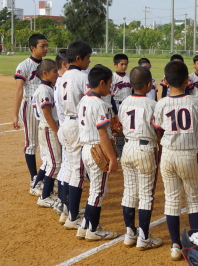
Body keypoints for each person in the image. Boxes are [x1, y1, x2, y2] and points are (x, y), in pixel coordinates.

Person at [152, 61, 198, 260]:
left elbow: (158, 129)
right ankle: (195, 246)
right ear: (188, 80)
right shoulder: (195, 102)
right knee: (193, 200)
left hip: (168, 153)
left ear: (166, 82)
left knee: (172, 200)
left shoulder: (161, 103)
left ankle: (175, 245)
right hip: (188, 154)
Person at [118, 66, 163, 250]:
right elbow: (159, 131)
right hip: (145, 149)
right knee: (146, 194)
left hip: (127, 147)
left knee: (129, 191)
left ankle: (130, 233)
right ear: (148, 84)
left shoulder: (124, 103)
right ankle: (144, 237)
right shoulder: (152, 105)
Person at [75, 64, 119, 241]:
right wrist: (112, 158)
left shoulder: (83, 100)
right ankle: (94, 230)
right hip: (97, 149)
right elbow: (102, 134)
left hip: (86, 148)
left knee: (96, 189)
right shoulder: (100, 104)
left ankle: (85, 226)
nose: (110, 87)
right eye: (109, 84)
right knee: (98, 191)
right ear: (101, 83)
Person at [58, 40, 92, 230]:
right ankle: (73, 216)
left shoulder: (63, 76)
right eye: (87, 58)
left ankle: (66, 211)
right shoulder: (81, 76)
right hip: (78, 124)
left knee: (71, 169)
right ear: (78, 58)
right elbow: (90, 99)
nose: (88, 62)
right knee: (78, 172)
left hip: (66, 124)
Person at [13, 34, 48, 192]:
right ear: (32, 47)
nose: (46, 48)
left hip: (46, 105)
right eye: (42, 46)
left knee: (47, 141)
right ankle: (34, 179)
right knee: (31, 143)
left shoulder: (48, 64)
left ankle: (47, 176)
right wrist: (15, 115)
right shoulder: (24, 65)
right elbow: (19, 90)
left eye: (47, 45)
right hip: (29, 106)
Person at [32, 59, 62, 208]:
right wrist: (58, 133)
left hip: (49, 127)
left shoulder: (48, 88)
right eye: (55, 71)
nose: (57, 74)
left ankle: (47, 193)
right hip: (48, 128)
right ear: (45, 73)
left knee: (54, 163)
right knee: (54, 163)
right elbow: (48, 115)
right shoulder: (44, 90)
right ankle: (44, 196)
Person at [53, 49, 71, 223]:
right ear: (64, 64)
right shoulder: (65, 81)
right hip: (69, 127)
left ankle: (62, 203)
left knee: (66, 168)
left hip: (64, 127)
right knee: (71, 170)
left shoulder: (59, 82)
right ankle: (66, 207)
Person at [110, 54, 132, 159]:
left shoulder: (129, 77)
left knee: (127, 129)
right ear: (115, 65)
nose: (124, 66)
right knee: (117, 130)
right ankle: (119, 152)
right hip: (117, 104)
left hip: (128, 105)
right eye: (121, 64)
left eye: (126, 64)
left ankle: (126, 151)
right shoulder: (113, 77)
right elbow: (110, 96)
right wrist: (115, 112)